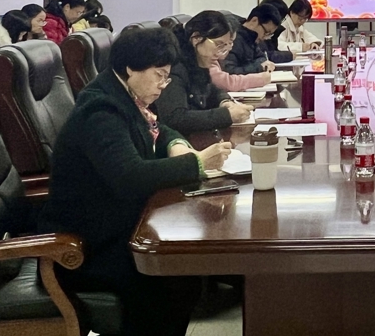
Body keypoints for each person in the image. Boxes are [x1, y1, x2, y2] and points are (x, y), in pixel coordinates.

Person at [39, 27, 234, 336]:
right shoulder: (102, 110)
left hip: (114, 221)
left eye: (167, 77)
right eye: (159, 76)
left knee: (182, 273)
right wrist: (197, 163)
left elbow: (157, 128)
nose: (163, 86)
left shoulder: (126, 93)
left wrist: (176, 144)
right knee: (173, 277)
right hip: (85, 244)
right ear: (131, 68)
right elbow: (129, 177)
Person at [153, 11, 252, 135]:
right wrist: (227, 115)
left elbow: (209, 89)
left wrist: (225, 102)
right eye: (219, 45)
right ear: (196, 39)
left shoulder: (197, 59)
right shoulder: (175, 67)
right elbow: (175, 118)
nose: (221, 54)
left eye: (226, 46)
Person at [223, 4, 281, 75]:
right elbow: (229, 72)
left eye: (269, 34)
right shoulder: (233, 39)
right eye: (266, 32)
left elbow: (262, 58)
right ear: (254, 20)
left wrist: (261, 65)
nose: (265, 38)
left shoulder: (252, 38)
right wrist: (258, 67)